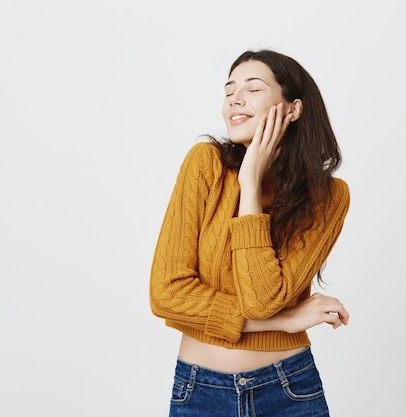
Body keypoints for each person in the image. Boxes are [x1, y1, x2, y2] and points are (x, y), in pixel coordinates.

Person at [149, 49, 350, 417]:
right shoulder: (205, 163)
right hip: (199, 391)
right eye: (229, 92)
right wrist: (282, 322)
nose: (234, 100)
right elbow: (166, 294)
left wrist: (252, 184)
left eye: (252, 89)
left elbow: (261, 298)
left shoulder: (328, 196)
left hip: (289, 389)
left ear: (293, 109)